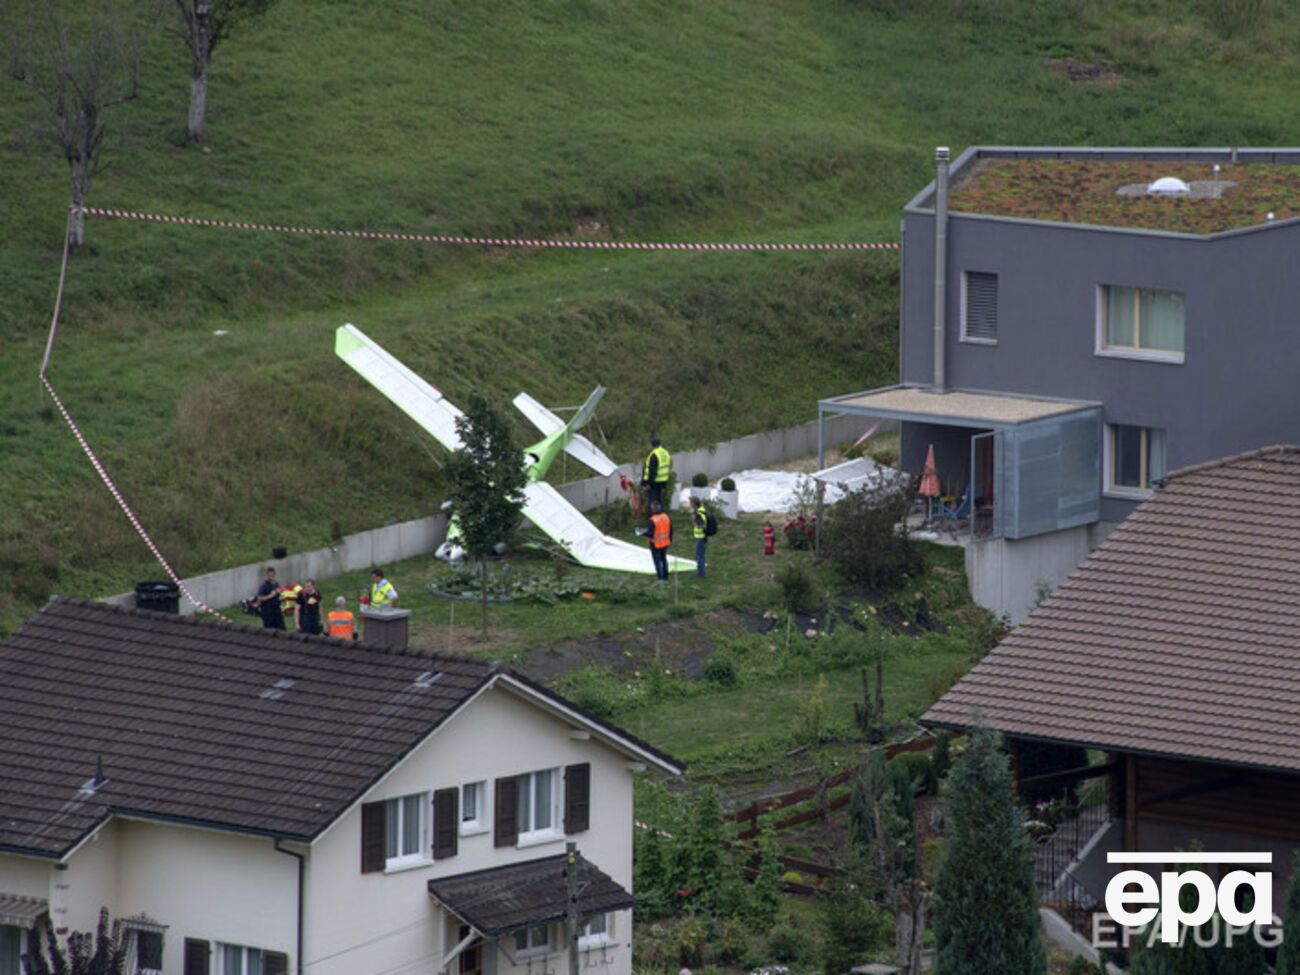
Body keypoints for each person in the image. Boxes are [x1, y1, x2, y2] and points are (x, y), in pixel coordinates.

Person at [642, 501, 673, 581]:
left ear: (652, 509)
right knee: (664, 560)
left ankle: (660, 577)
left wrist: (642, 533)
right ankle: (666, 576)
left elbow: (650, 534)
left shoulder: (652, 520)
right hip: (665, 542)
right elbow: (671, 530)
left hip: (655, 544)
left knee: (657, 562)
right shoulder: (666, 516)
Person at [641, 437, 672, 508]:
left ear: (652, 445)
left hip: (654, 482)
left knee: (653, 503)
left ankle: (655, 517)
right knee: (659, 501)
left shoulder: (654, 454)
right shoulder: (665, 452)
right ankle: (662, 516)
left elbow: (652, 470)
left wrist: (648, 483)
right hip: (663, 481)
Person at [690, 497, 709, 578]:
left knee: (699, 555)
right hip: (703, 536)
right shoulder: (701, 509)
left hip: (701, 536)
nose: (690, 504)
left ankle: (701, 574)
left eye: (691, 503)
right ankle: (701, 572)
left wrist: (694, 519)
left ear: (694, 504)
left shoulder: (698, 513)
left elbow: (699, 524)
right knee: (701, 554)